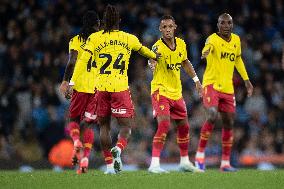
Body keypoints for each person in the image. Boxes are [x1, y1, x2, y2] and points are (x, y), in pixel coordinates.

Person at [71, 4, 159, 174]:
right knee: (126, 127)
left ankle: (110, 166)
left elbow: (82, 62)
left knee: (104, 127)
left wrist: (73, 82)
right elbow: (143, 51)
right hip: (120, 87)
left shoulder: (95, 38)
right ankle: (118, 148)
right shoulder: (128, 38)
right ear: (119, 21)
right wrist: (156, 56)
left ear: (103, 22)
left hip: (101, 88)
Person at [195, 13, 254, 172]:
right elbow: (207, 47)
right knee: (212, 115)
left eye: (229, 23)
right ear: (218, 25)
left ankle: (225, 162)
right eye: (223, 23)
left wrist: (246, 80)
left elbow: (238, 60)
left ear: (232, 25)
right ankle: (200, 156)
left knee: (229, 123)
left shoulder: (236, 40)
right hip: (211, 85)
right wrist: (205, 52)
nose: (226, 26)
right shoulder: (212, 39)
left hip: (228, 88)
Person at [147, 15, 203, 173]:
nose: (167, 30)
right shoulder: (157, 47)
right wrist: (152, 63)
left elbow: (185, 62)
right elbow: (152, 59)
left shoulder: (181, 44)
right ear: (160, 29)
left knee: (184, 126)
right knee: (164, 124)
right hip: (160, 90)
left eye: (170, 26)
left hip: (176, 92)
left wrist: (197, 81)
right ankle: (154, 164)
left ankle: (185, 162)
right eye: (164, 27)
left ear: (175, 27)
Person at [59, 11, 100, 174]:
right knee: (89, 124)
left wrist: (65, 81)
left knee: (73, 120)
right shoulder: (101, 41)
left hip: (80, 86)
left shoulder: (75, 41)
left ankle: (76, 141)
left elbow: (72, 62)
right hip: (97, 88)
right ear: (96, 24)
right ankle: (86, 157)